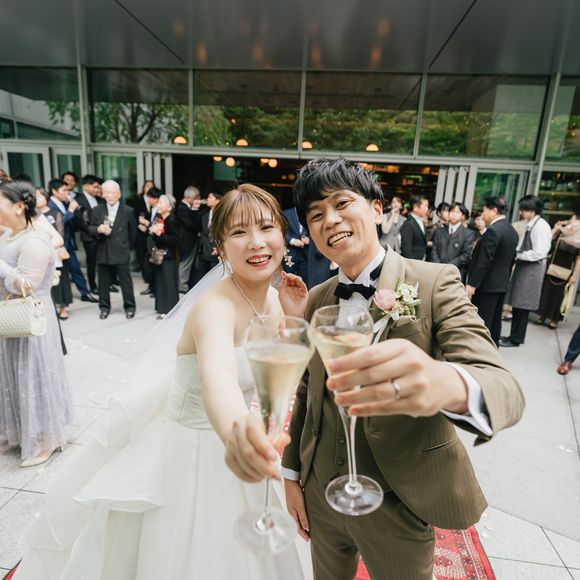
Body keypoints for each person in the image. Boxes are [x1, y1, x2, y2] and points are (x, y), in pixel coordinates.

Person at [225, 159, 524, 580]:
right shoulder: (317, 298)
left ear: (377, 209)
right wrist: (293, 476)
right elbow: (309, 390)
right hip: (321, 492)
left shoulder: (434, 282)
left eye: (341, 203)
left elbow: (503, 384)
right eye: (315, 215)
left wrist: (446, 383)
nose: (330, 220)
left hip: (399, 496)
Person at [13, 184, 312, 580]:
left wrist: (294, 319)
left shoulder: (274, 299)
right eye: (239, 232)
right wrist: (240, 435)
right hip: (194, 449)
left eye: (266, 227)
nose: (256, 242)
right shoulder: (214, 308)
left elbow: (274, 372)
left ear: (283, 235)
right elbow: (219, 378)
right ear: (221, 247)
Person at [0, 180, 73, 467]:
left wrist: (2, 268)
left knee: (35, 376)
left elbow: (27, 285)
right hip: (10, 319)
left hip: (31, 321)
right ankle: (20, 432)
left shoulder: (34, 240)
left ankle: (47, 441)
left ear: (19, 206)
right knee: (15, 376)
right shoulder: (9, 235)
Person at [500, 195, 552, 348]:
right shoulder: (532, 224)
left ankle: (516, 339)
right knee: (518, 303)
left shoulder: (541, 227)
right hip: (526, 267)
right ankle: (514, 336)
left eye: (523, 209)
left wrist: (517, 254)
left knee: (523, 305)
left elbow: (539, 253)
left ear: (532, 210)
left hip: (532, 269)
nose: (521, 213)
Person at [466, 196, 519, 345]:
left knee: (481, 322)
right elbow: (511, 259)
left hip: (487, 285)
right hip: (500, 284)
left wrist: (472, 284)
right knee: (494, 322)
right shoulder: (511, 230)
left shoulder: (493, 231)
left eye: (484, 211)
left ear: (493, 211)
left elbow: (484, 261)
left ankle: (479, 352)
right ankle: (492, 350)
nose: (483, 215)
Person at [89, 180, 137, 320]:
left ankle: (130, 307)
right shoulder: (97, 210)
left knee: (125, 282)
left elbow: (133, 233)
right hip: (103, 250)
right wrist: (98, 229)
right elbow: (90, 228)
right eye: (107, 193)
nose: (110, 196)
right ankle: (104, 308)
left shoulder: (128, 211)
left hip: (121, 250)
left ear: (119, 194)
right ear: (103, 194)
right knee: (103, 282)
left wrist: (127, 248)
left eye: (112, 193)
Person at [48, 179, 98, 305]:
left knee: (76, 269)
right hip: (57, 245)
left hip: (67, 243)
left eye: (68, 190)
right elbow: (56, 225)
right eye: (64, 190)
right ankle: (61, 301)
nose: (67, 193)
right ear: (54, 191)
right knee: (60, 274)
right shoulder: (50, 206)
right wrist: (70, 211)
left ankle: (85, 293)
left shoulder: (63, 203)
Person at [536, 214, 580, 329]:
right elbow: (547, 240)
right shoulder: (562, 231)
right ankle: (542, 315)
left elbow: (578, 259)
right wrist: (556, 228)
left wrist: (575, 275)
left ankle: (554, 319)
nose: (573, 221)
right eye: (573, 218)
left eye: (576, 219)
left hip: (566, 268)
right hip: (552, 264)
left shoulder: (578, 237)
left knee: (559, 295)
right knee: (546, 291)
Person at [149, 194, 180, 318]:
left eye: (161, 203)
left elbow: (175, 241)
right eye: (158, 202)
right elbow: (156, 238)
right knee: (160, 282)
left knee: (169, 283)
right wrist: (154, 232)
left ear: (169, 207)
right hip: (159, 255)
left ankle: (170, 310)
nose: (158, 205)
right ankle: (162, 308)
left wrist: (159, 234)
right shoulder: (160, 219)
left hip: (169, 256)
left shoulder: (172, 220)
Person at [74, 175, 105, 294]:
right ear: (86, 186)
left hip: (101, 234)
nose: (97, 189)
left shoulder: (99, 199)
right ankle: (93, 285)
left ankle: (106, 284)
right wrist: (94, 230)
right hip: (88, 236)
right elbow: (79, 220)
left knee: (103, 261)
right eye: (95, 187)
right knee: (91, 262)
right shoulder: (78, 200)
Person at [430, 202, 473, 282]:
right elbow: (434, 250)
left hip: (455, 273)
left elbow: (466, 255)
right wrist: (439, 266)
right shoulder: (439, 231)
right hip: (437, 271)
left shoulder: (467, 233)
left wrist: (448, 267)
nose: (454, 214)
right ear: (449, 213)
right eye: (452, 211)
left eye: (457, 212)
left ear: (462, 215)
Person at [134, 181, 159, 295]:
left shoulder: (159, 210)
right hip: (148, 240)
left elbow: (157, 226)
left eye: (150, 198)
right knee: (148, 264)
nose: (148, 200)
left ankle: (155, 288)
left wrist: (146, 223)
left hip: (155, 242)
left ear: (156, 199)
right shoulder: (152, 209)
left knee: (154, 265)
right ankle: (151, 286)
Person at [192, 192, 222, 284]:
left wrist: (219, 247)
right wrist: (195, 209)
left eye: (210, 197)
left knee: (215, 278)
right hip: (203, 249)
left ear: (217, 201)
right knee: (201, 277)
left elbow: (224, 233)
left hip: (214, 250)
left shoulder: (222, 215)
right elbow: (193, 225)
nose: (207, 199)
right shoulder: (204, 213)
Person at [176, 186, 202, 293]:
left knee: (188, 264)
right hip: (186, 241)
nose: (197, 200)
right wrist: (195, 210)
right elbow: (190, 224)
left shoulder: (186, 207)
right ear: (189, 198)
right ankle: (182, 286)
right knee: (185, 263)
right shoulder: (182, 208)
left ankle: (186, 285)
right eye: (196, 198)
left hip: (190, 241)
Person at [284, 207, 310, 285]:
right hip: (291, 252)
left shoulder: (310, 211)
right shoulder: (286, 213)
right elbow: (281, 231)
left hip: (306, 252)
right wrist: (292, 241)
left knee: (305, 280)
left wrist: (309, 239)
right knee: (289, 279)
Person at [399, 193, 429, 260]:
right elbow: (406, 249)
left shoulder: (420, 221)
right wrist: (411, 264)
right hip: (413, 262)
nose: (427, 209)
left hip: (420, 260)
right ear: (416, 207)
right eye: (425, 206)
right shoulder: (409, 224)